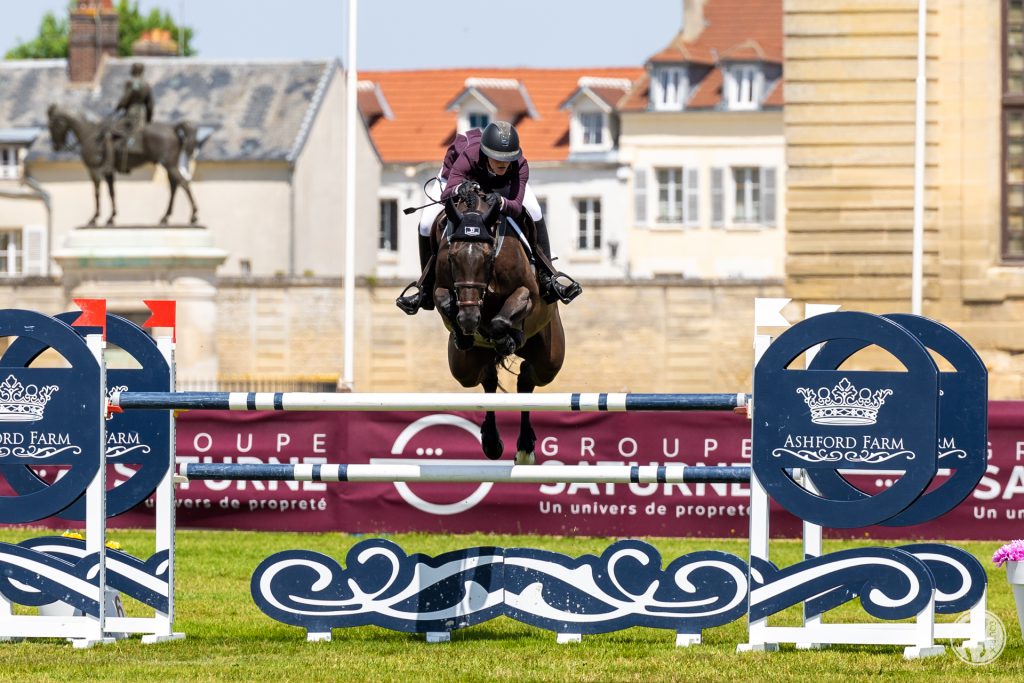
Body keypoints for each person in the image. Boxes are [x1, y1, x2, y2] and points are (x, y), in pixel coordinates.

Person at [395, 121, 582, 315]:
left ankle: (547, 277)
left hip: (502, 184)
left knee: (534, 211)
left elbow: (516, 207)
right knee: (426, 224)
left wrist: (501, 202)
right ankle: (425, 288)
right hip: (456, 178)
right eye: (497, 158)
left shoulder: (520, 165)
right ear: (485, 154)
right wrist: (461, 188)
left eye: (508, 158)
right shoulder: (468, 156)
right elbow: (447, 193)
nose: (503, 163)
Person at [105, 62, 154, 173]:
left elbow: (126, 98)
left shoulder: (131, 82)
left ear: (134, 70)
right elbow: (150, 104)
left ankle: (111, 163)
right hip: (142, 115)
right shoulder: (146, 85)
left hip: (131, 114)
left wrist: (118, 107)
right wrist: (149, 120)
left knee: (109, 132)